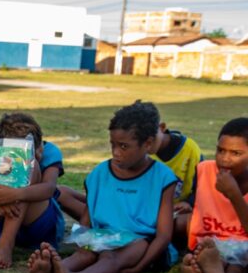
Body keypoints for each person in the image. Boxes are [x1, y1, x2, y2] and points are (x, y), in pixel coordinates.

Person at [28, 101, 177, 273]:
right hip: (102, 236)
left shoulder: (163, 177)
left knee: (110, 257)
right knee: (85, 255)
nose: (116, 152)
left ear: (148, 144)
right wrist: (84, 242)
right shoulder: (99, 173)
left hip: (140, 241)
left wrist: (139, 267)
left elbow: (164, 234)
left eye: (124, 146)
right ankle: (54, 272)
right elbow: (87, 220)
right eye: (113, 144)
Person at [57, 105, 202, 245]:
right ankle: (114, 228)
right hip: (126, 208)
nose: (149, 146)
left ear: (161, 129)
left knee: (190, 221)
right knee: (60, 193)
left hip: (162, 215)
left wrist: (188, 203)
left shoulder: (186, 152)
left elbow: (202, 188)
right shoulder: (132, 153)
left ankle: (137, 234)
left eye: (123, 146)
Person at [0, 113, 65, 268]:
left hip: (37, 224)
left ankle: (6, 245)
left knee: (30, 167)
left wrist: (15, 194)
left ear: (40, 144)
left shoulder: (50, 151)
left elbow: (49, 189)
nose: (40, 154)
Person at [181, 117, 248, 273]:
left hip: (244, 247)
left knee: (237, 268)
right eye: (220, 150)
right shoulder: (204, 170)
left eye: (236, 153)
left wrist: (234, 194)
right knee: (210, 260)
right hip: (210, 243)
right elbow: (196, 197)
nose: (225, 159)